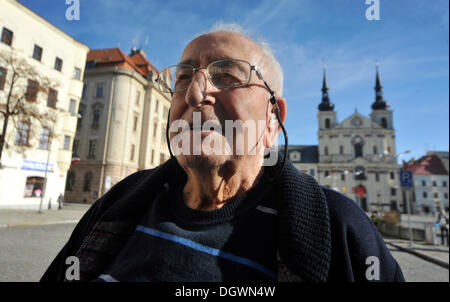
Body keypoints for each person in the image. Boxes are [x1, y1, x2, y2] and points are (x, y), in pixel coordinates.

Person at [40, 25, 404, 282]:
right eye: (183, 78)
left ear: (272, 120)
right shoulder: (118, 203)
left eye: (227, 76)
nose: (196, 94)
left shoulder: (340, 228)